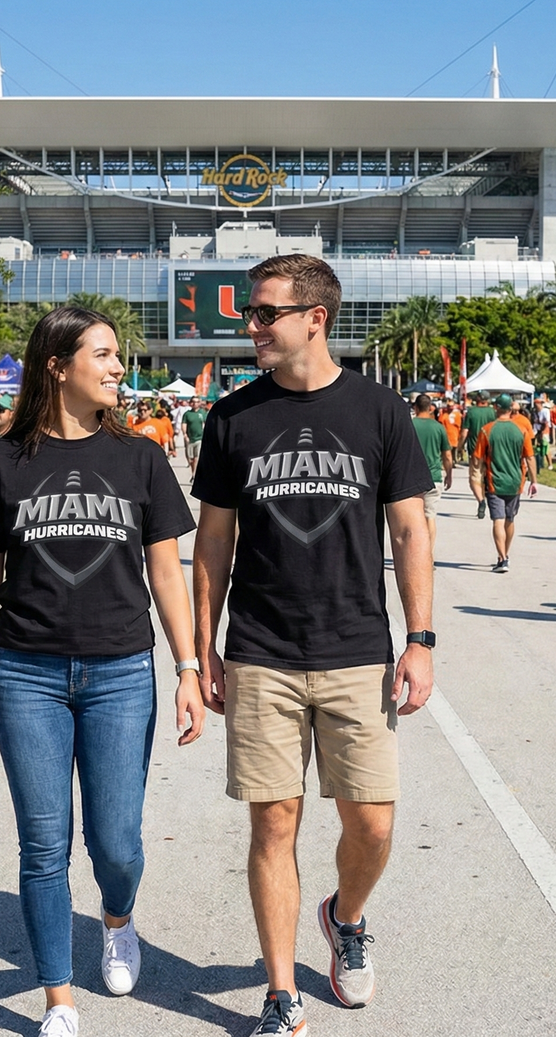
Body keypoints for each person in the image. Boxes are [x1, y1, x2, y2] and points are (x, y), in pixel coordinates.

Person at [192, 254, 435, 1036]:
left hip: (357, 649)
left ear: (314, 319)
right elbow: (212, 546)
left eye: (265, 313)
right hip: (261, 652)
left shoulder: (379, 411)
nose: (251, 326)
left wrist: (421, 638)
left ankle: (345, 915)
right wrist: (204, 650)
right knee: (274, 826)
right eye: (251, 314)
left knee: (373, 825)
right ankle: (279, 993)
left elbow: (410, 528)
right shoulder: (232, 417)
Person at [0, 307, 203, 1037]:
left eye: (117, 355)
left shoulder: (141, 458)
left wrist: (186, 667)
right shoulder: (3, 462)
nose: (119, 367)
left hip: (122, 673)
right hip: (25, 676)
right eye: (105, 354)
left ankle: (117, 918)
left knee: (116, 842)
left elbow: (165, 571)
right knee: (43, 843)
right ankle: (59, 997)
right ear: (57, 366)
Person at [472, 393, 537, 573]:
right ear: (511, 409)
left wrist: (476, 478)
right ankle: (505, 555)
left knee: (497, 521)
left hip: (495, 482)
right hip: (516, 482)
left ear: (496, 408)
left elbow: (477, 458)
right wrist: (534, 481)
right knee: (510, 519)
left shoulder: (487, 430)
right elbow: (530, 457)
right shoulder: (521, 430)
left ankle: (502, 558)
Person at [410, 394, 453, 558]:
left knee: (413, 518)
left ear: (415, 407)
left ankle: (414, 553)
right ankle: (428, 555)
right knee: (430, 516)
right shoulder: (438, 427)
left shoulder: (410, 425)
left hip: (412, 478)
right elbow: (447, 456)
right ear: (430, 408)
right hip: (434, 477)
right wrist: (449, 475)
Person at [460, 391, 494, 518]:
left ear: (478, 399)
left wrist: (459, 447)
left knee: (474, 479)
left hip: (475, 451)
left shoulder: (472, 412)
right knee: (489, 476)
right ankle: (491, 498)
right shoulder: (492, 412)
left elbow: (464, 432)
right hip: (490, 451)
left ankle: (481, 501)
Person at [181, 396, 206, 480]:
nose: (195, 403)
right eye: (193, 402)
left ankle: (194, 475)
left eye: (197, 402)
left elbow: (205, 424)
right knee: (191, 459)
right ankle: (193, 472)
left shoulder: (202, 413)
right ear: (191, 403)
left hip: (200, 438)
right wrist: (185, 434)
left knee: (196, 458)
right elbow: (184, 424)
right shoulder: (187, 414)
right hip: (190, 438)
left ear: (199, 403)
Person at [437, 397, 462, 463]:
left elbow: (459, 425)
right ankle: (446, 462)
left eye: (451, 406)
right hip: (446, 435)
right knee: (447, 450)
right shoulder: (444, 414)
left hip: (455, 435)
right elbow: (440, 423)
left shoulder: (457, 414)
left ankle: (453, 461)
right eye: (449, 406)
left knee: (453, 450)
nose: (450, 407)